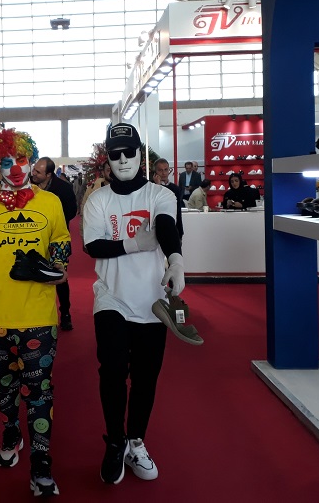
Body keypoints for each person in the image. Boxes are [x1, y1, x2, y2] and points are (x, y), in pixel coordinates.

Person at [0, 128, 71, 497]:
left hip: (38, 315)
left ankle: (41, 462)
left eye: (22, 160)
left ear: (31, 161)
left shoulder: (50, 202)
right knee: (4, 387)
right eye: (7, 162)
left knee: (39, 392)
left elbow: (61, 239)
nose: (17, 168)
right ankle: (10, 430)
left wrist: (58, 265)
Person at [81, 123, 186, 486]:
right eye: (116, 154)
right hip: (110, 296)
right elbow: (93, 245)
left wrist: (176, 260)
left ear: (141, 155)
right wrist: (132, 244)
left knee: (145, 377)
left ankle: (136, 440)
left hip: (153, 301)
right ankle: (115, 441)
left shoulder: (161, 194)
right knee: (111, 371)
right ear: (107, 159)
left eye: (129, 152)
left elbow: (167, 227)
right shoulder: (98, 200)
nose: (123, 159)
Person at [31, 156, 78, 331]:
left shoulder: (64, 188)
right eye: (34, 170)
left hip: (58, 239)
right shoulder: (29, 186)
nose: (33, 174)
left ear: (49, 174)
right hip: (35, 239)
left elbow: (72, 211)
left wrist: (54, 221)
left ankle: (65, 313)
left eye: (38, 172)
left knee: (60, 277)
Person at [153, 159, 184, 238]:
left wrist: (180, 231)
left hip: (172, 228)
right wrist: (158, 186)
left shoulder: (175, 188)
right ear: (155, 172)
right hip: (155, 229)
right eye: (160, 170)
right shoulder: (151, 187)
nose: (163, 173)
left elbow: (178, 211)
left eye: (166, 169)